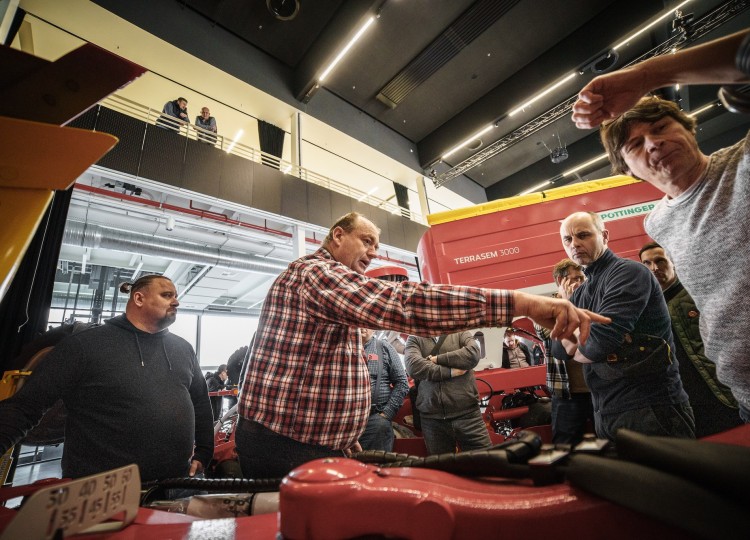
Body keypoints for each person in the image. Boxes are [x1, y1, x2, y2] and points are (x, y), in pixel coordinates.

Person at [235, 211, 608, 478]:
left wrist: (340, 439)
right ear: (337, 236)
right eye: (366, 241)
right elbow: (402, 303)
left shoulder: (330, 289)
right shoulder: (316, 273)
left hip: (312, 442)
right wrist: (521, 304)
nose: (372, 253)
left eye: (377, 246)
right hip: (285, 444)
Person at [571, 29, 750, 422]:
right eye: (635, 145)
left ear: (689, 128)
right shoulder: (659, 220)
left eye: (661, 128)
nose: (652, 143)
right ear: (628, 171)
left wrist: (646, 77)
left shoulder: (743, 162)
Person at [0, 275, 213, 482]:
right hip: (102, 492)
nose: (176, 301)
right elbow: (25, 407)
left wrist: (204, 451)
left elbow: (201, 402)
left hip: (177, 482)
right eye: (167, 295)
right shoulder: (84, 346)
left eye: (175, 296)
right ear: (138, 298)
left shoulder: (183, 348)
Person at [551, 211, 694, 442]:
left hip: (650, 410)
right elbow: (557, 348)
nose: (575, 244)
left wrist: (576, 344)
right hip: (606, 413)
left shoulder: (628, 273)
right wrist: (576, 337)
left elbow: (597, 345)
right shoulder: (583, 292)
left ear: (604, 236)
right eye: (567, 239)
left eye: (583, 235)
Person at [639, 242, 741, 437]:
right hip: (684, 401)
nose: (654, 268)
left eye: (660, 261)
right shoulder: (646, 309)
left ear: (673, 261)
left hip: (719, 392)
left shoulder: (696, 294)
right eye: (647, 264)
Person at [536, 258, 593, 446]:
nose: (580, 282)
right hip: (566, 393)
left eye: (582, 278)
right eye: (575, 278)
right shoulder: (545, 307)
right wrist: (570, 302)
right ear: (560, 281)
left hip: (598, 388)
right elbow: (554, 333)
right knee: (564, 445)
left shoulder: (592, 300)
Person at [404, 331, 491, 454]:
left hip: (468, 415)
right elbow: (413, 366)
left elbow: (473, 353)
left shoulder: (460, 331)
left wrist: (437, 359)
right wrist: (450, 372)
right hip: (433, 420)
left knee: (487, 463)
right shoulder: (415, 338)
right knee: (441, 470)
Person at [358, 328, 409, 451]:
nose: (362, 327)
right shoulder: (342, 348)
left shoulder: (384, 348)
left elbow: (402, 383)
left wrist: (386, 414)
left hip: (375, 420)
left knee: (377, 467)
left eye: (367, 324)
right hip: (344, 421)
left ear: (374, 329)